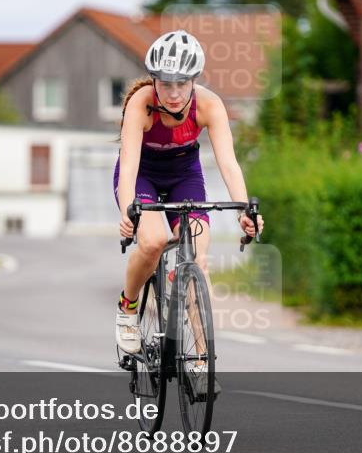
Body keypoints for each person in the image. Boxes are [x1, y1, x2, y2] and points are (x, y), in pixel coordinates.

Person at [113, 29, 265, 376]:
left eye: (183, 83)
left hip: (185, 174)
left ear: (195, 80)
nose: (175, 92)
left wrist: (244, 210)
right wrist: (127, 210)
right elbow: (129, 164)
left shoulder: (210, 106)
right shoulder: (141, 105)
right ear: (154, 80)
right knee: (152, 242)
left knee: (198, 257)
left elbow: (228, 162)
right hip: (143, 177)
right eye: (166, 83)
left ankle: (200, 358)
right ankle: (127, 307)